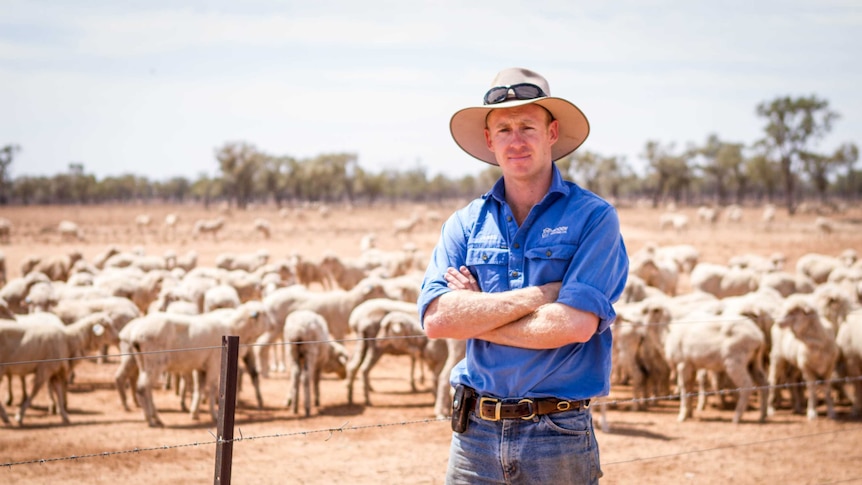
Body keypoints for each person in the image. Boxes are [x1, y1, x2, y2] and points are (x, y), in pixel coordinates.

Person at [418, 67, 629, 484]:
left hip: (557, 434)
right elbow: (437, 320)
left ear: (551, 132)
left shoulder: (593, 218)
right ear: (488, 139)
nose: (516, 140)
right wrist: (542, 295)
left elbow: (572, 325)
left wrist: (477, 316)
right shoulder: (466, 222)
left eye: (527, 126)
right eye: (505, 128)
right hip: (475, 433)